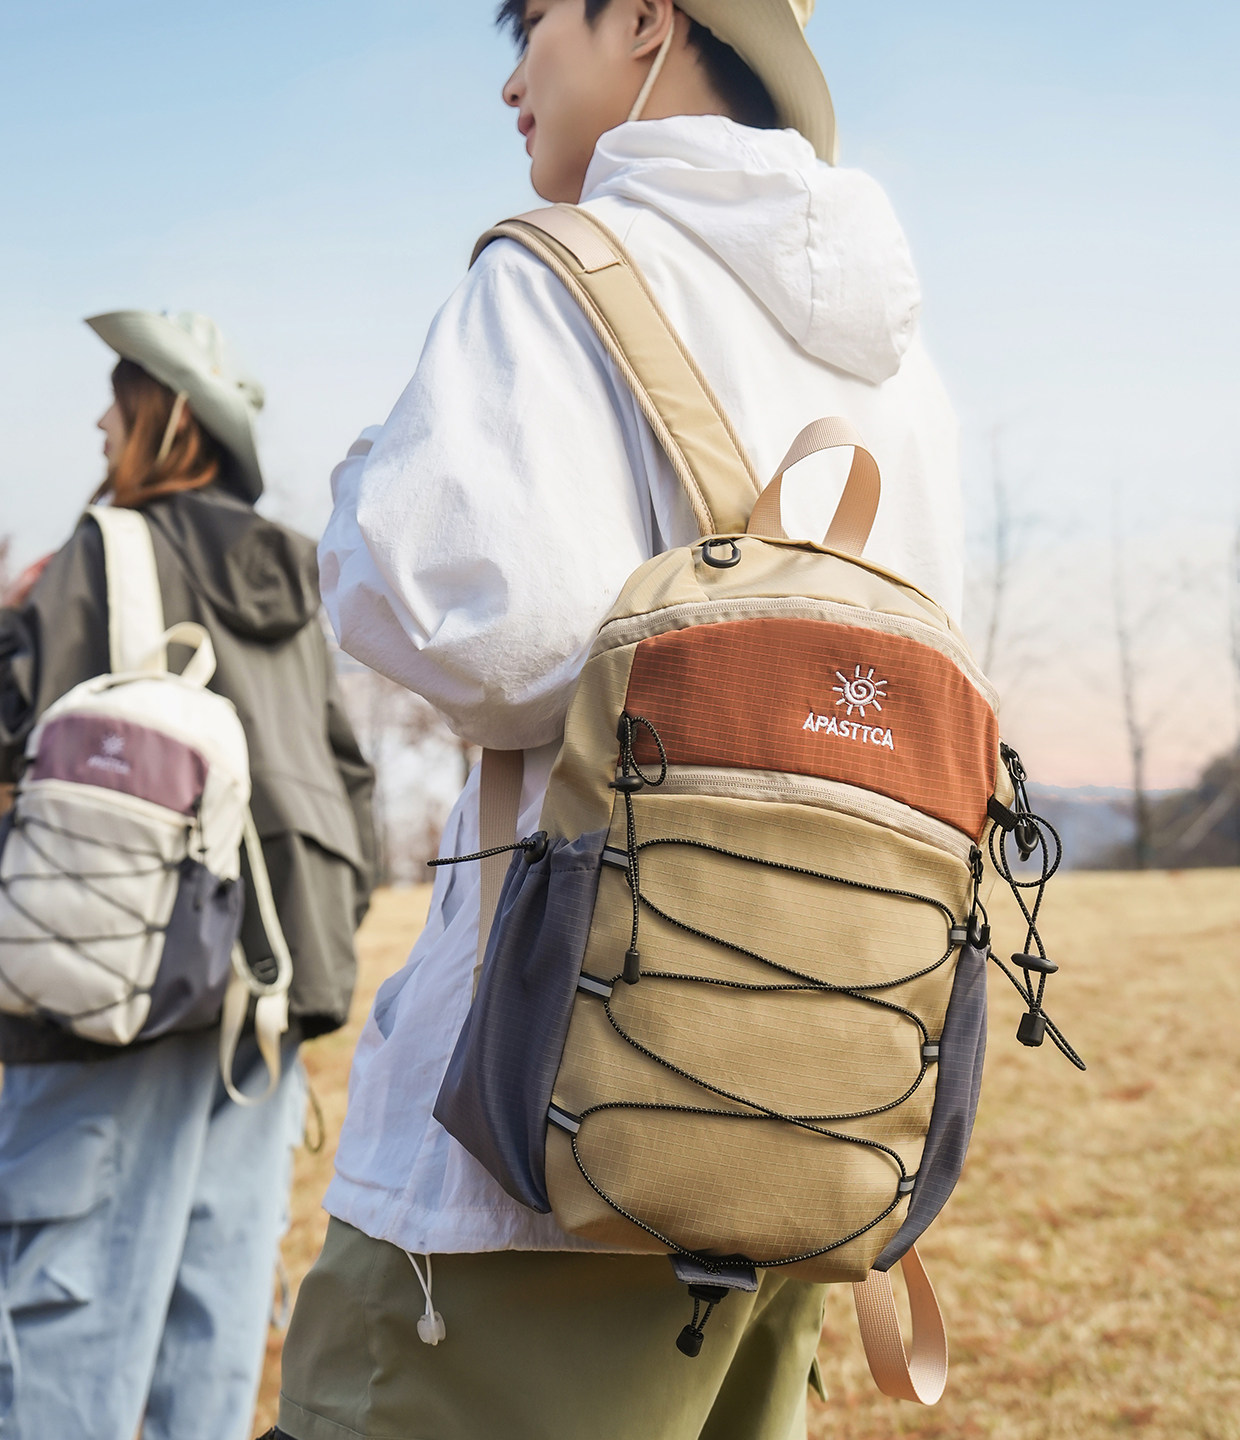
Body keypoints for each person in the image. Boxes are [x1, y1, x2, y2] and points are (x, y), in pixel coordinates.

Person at [273, 2, 960, 1438]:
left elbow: (492, 632)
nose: (512, 77)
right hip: (813, 1123)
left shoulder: (556, 276)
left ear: (646, 16)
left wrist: (365, 488)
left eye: (532, 23)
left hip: (557, 1137)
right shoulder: (899, 364)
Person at [0, 309, 376, 1440]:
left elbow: (0, 725)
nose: (99, 418)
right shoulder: (295, 585)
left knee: (62, 1345)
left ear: (169, 419)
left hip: (111, 996)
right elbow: (348, 783)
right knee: (207, 1348)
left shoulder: (105, 552)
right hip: (258, 1025)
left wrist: (22, 603)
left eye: (117, 397)